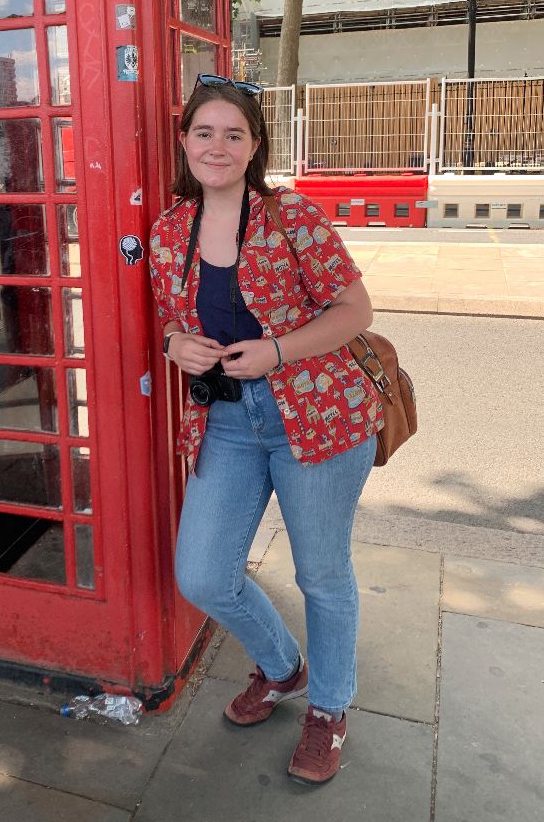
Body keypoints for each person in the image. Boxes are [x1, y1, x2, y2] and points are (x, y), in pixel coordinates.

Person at [148, 74, 383, 786]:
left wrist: (278, 350)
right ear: (184, 140)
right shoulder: (167, 231)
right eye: (203, 133)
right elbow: (173, 320)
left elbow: (355, 311)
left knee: (321, 575)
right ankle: (284, 669)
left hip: (316, 416)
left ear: (254, 148)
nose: (216, 147)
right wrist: (172, 345)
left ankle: (330, 711)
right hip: (227, 422)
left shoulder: (292, 220)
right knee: (202, 574)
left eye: (233, 134)